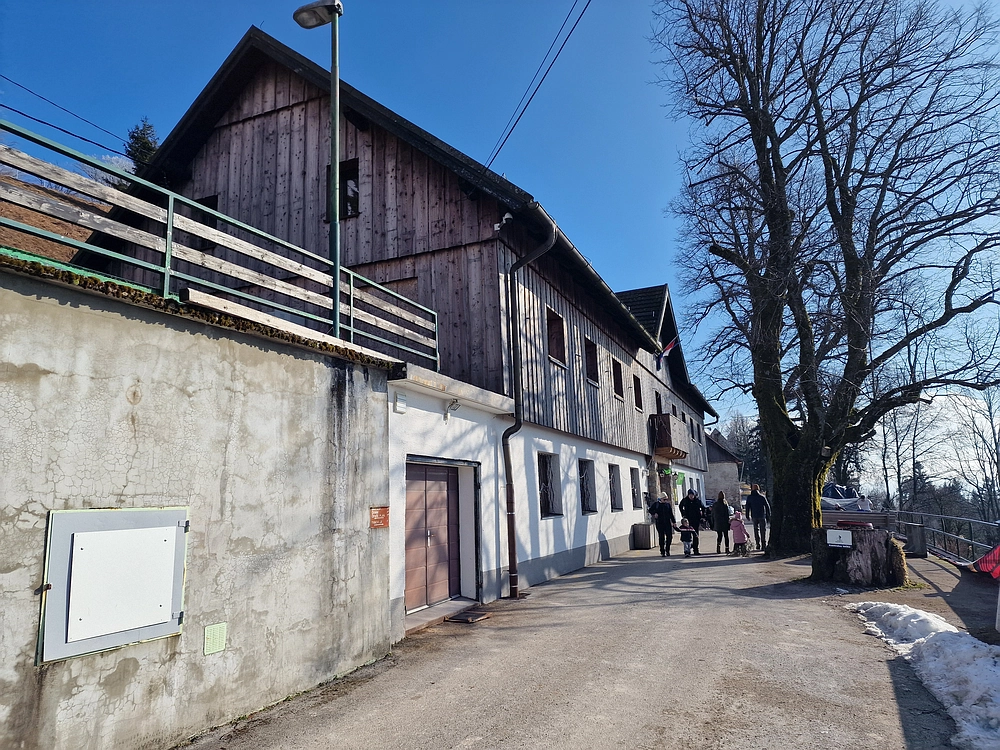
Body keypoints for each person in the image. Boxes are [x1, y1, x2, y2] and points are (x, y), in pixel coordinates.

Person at [648, 492, 678, 556]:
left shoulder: (668, 505)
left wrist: (674, 522)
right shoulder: (656, 504)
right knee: (661, 537)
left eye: (666, 499)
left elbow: (671, 514)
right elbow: (650, 510)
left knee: (669, 536)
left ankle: (667, 550)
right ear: (660, 499)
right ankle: (662, 551)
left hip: (667, 522)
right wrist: (654, 513)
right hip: (660, 523)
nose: (665, 501)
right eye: (664, 499)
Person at [745, 484, 771, 552]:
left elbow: (747, 507)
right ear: (758, 489)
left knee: (756, 530)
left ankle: (757, 544)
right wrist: (769, 515)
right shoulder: (762, 497)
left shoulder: (750, 497)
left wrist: (747, 515)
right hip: (762, 515)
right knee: (763, 530)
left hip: (754, 515)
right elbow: (767, 506)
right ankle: (763, 544)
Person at [679, 489, 702, 555]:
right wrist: (683, 513)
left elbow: (702, 507)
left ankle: (696, 549)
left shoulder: (697, 501)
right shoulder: (685, 500)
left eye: (692, 495)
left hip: (696, 520)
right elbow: (680, 506)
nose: (691, 496)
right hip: (688, 520)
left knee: (696, 535)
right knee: (687, 535)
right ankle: (687, 549)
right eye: (690, 495)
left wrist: (701, 515)